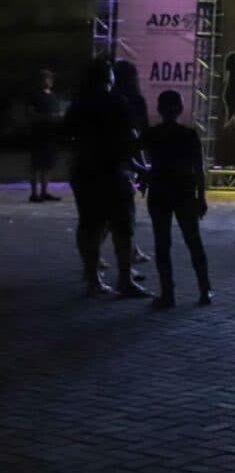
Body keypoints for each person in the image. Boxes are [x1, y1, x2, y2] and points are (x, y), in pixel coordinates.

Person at [63, 57, 150, 298]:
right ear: (107, 78)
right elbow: (130, 139)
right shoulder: (116, 102)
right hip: (113, 171)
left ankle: (93, 279)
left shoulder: (77, 105)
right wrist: (139, 166)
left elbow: (66, 137)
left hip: (84, 171)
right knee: (122, 225)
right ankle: (125, 278)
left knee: (89, 224)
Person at [142, 90, 212, 308]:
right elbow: (199, 169)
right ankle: (204, 289)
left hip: (160, 191)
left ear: (159, 109)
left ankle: (168, 292)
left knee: (162, 244)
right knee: (193, 241)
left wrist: (145, 175)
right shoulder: (189, 135)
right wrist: (201, 196)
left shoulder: (152, 135)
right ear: (180, 109)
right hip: (184, 191)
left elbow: (134, 154)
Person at [112, 60, 152, 264]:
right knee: (124, 211)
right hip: (125, 159)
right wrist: (144, 164)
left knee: (109, 212)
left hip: (118, 158)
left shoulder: (111, 99)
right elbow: (140, 133)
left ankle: (130, 251)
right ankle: (128, 260)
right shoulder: (131, 101)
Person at [27, 68, 60, 202]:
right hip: (38, 135)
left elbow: (56, 112)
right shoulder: (34, 95)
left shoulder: (53, 96)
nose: (49, 81)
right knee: (36, 165)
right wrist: (47, 117)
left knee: (47, 165)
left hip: (50, 135)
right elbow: (30, 114)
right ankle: (34, 194)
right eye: (47, 78)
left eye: (50, 78)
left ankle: (44, 192)